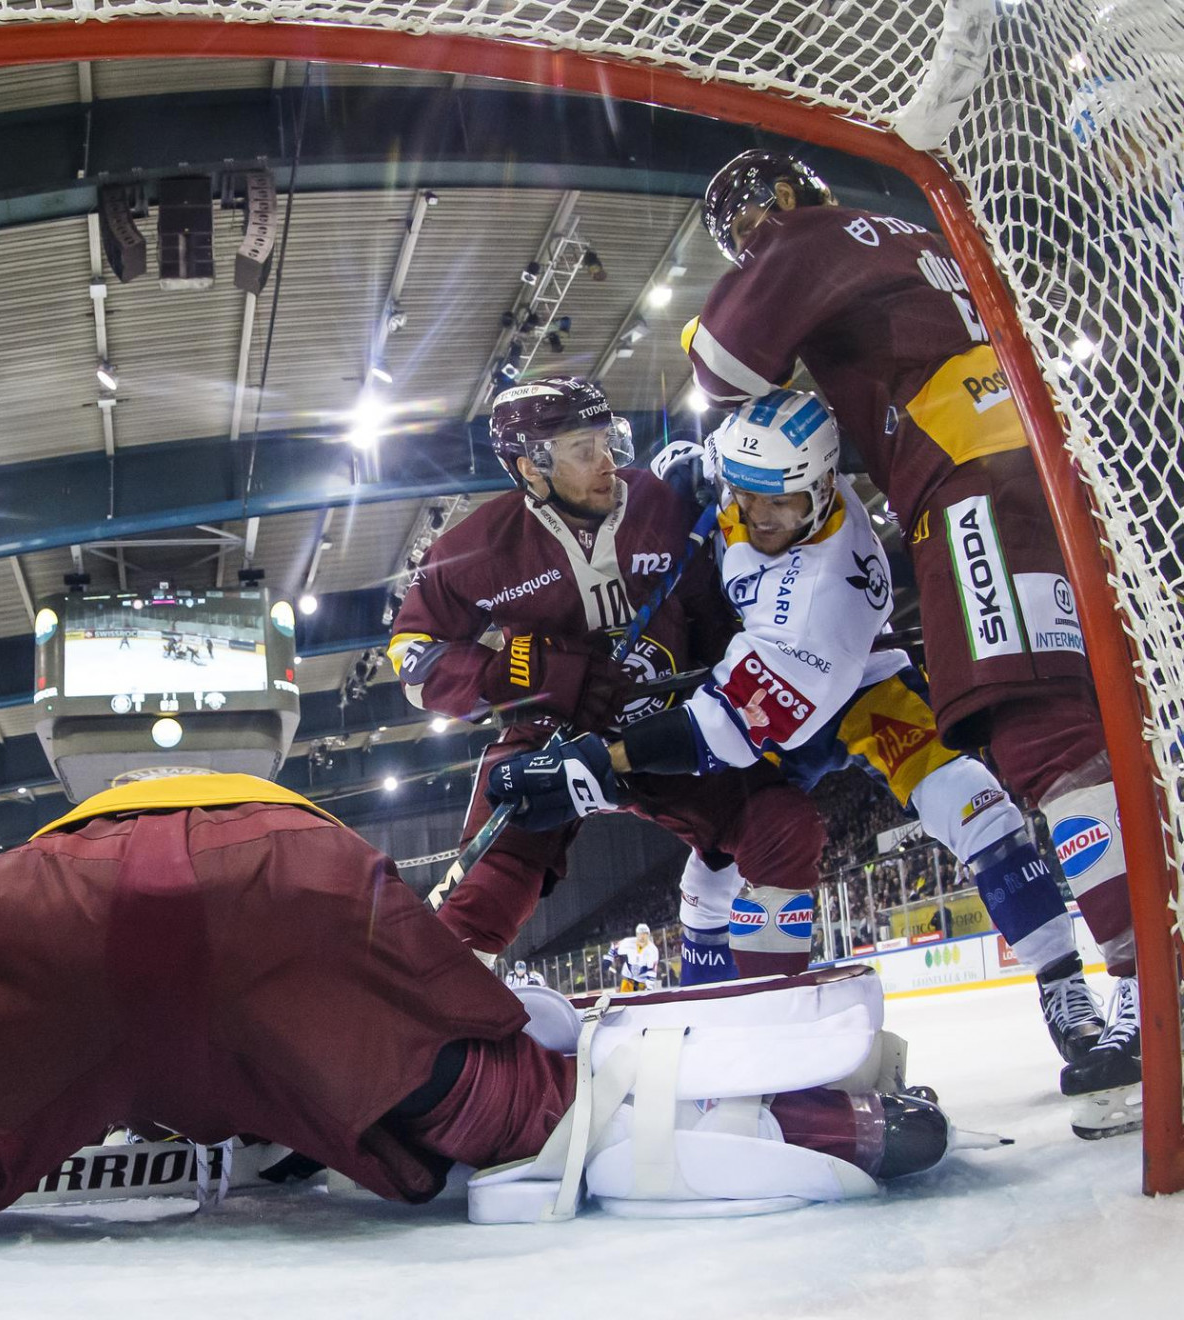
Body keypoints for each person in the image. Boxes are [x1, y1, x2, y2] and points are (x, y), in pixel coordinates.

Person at [0, 773, 956, 1251]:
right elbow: (463, 961)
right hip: (296, 888)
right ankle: (831, 1114)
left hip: (48, 909)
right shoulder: (295, 820)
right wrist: (512, 1010)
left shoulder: (25, 851)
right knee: (545, 1117)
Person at [687, 151, 1143, 1125]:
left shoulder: (806, 237)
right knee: (1064, 737)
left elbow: (720, 361)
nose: (763, 509)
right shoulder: (907, 239)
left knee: (1032, 749)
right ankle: (1105, 981)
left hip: (962, 490)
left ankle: (1136, 991)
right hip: (1029, 457)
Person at [503, 396, 1109, 1077]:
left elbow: (721, 730)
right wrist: (688, 481)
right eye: (746, 495)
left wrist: (596, 760)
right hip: (758, 670)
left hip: (844, 688)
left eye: (782, 503)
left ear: (824, 488)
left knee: (975, 805)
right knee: (717, 857)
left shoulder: (823, 598)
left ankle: (1065, 987)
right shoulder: (762, 469)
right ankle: (706, 1010)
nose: (761, 517)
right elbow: (721, 478)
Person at [386, 376, 828, 966]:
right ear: (530, 467)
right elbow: (413, 656)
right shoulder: (479, 548)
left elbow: (722, 610)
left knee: (783, 826)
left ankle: (766, 999)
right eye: (582, 449)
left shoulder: (662, 504)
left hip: (671, 733)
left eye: (607, 439)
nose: (607, 462)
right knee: (485, 896)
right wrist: (513, 673)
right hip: (551, 739)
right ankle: (450, 1024)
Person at [614, 923, 662, 992]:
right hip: (628, 979)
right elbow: (617, 949)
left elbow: (652, 970)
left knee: (641, 1000)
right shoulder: (629, 943)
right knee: (625, 1000)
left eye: (644, 934)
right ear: (637, 934)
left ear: (648, 935)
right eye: (640, 934)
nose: (642, 936)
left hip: (642, 981)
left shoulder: (652, 950)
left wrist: (649, 987)